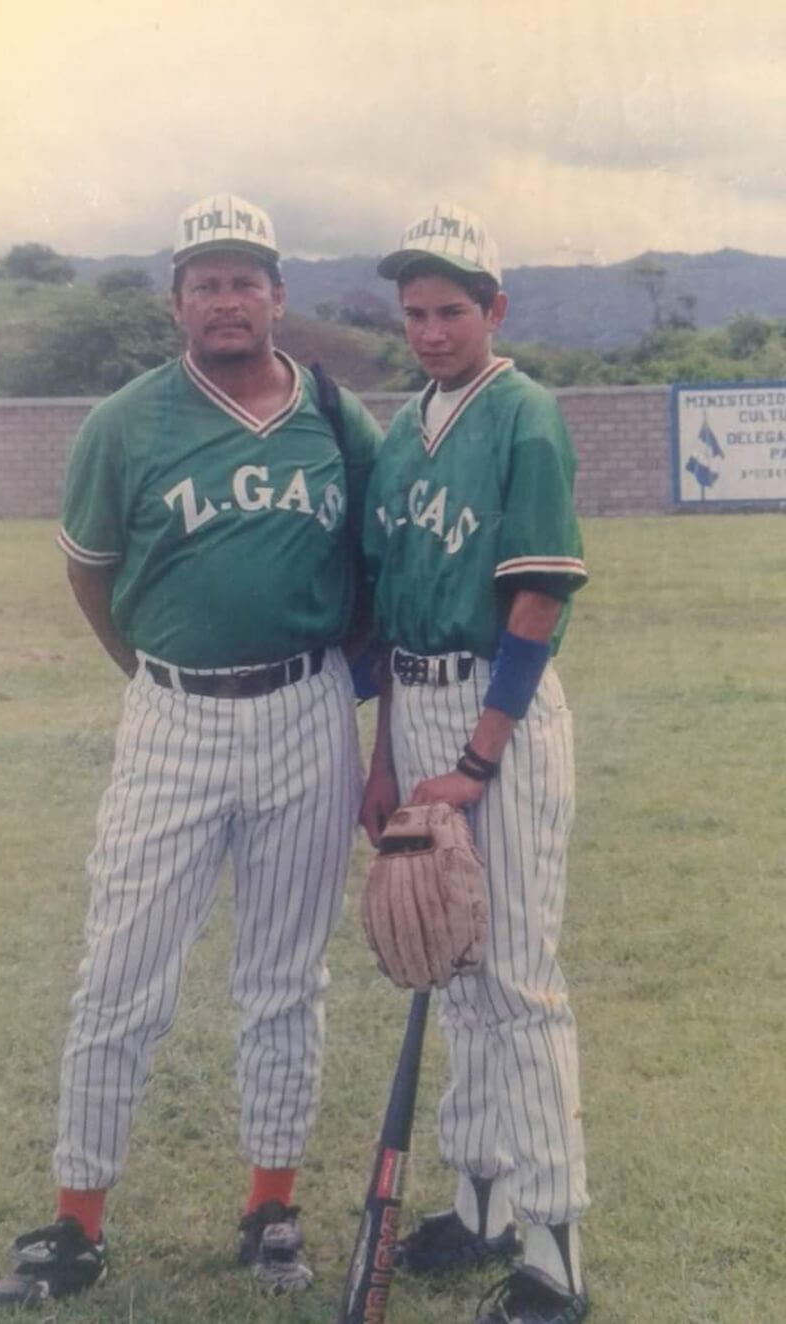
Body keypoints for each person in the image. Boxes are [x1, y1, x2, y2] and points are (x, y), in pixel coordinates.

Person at [0, 193, 381, 1309]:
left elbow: (374, 559)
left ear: (278, 296)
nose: (225, 298)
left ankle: (270, 1209)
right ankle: (76, 1223)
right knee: (119, 971)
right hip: (172, 712)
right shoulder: (125, 422)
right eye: (204, 282)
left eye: (244, 279)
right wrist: (154, 668)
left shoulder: (335, 415)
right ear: (176, 304)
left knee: (284, 976)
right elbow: (90, 572)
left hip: (307, 707)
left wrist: (339, 668)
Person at [359, 203, 590, 1324]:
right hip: (414, 700)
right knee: (448, 965)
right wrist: (384, 758)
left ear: (495, 309)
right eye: (414, 313)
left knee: (517, 982)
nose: (431, 331)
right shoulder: (404, 428)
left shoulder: (523, 414)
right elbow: (387, 606)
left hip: (497, 704)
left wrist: (478, 756)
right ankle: (482, 1201)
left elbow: (536, 598)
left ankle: (553, 1253)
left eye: (451, 310)